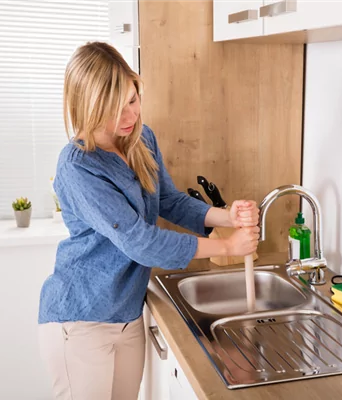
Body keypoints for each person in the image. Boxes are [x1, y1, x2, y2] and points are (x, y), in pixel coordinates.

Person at [38, 41, 260, 400]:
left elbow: (167, 200)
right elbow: (140, 241)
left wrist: (227, 215)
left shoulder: (141, 138)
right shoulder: (78, 166)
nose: (128, 117)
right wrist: (226, 246)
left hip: (127, 315)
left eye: (131, 99)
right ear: (87, 108)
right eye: (112, 110)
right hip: (80, 321)